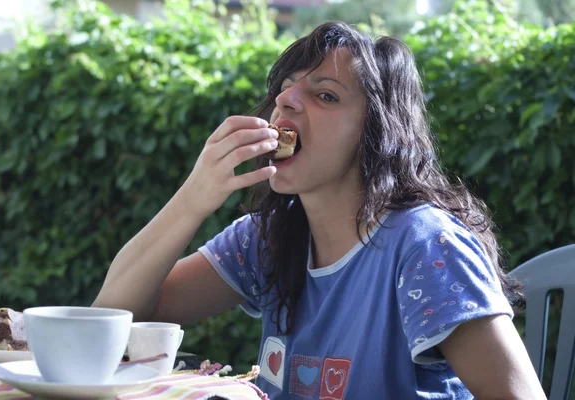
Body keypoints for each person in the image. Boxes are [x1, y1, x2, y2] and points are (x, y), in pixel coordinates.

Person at [93, 21, 547, 400]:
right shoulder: (268, 239)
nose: (285, 102)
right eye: (285, 89)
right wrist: (192, 199)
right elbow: (113, 317)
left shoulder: (425, 245)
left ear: (378, 134)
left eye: (325, 95)